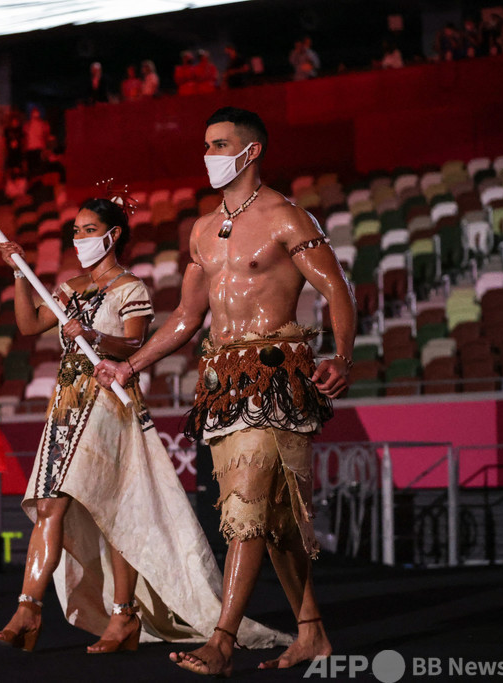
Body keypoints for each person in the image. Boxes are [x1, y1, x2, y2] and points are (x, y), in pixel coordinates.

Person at [96, 107, 355, 676]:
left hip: (276, 375)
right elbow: (187, 319)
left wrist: (342, 355)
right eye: (206, 145)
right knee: (277, 517)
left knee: (245, 508)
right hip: (221, 384)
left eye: (219, 144)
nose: (209, 155)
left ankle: (222, 640)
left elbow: (336, 287)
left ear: (251, 150)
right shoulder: (202, 230)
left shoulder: (288, 218)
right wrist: (131, 364)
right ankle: (310, 632)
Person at [0, 191, 290, 657]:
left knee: (112, 511)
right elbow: (29, 326)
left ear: (113, 236)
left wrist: (92, 335)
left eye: (88, 230)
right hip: (67, 405)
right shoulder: (72, 286)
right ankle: (28, 610)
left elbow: (134, 347)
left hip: (108, 403)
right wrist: (18, 274)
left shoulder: (133, 289)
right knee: (49, 504)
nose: (79, 239)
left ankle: (123, 615)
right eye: (75, 231)